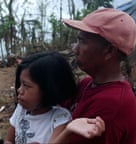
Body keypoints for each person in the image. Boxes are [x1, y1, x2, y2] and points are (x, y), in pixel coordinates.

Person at [57, 8, 136, 144]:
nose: (75, 49)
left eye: (83, 41)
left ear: (109, 51)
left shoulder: (112, 104)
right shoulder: (87, 83)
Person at [4, 51, 105, 144]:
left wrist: (68, 131)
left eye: (26, 85)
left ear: (48, 89)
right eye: (20, 84)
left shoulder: (59, 118)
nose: (19, 90)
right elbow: (9, 140)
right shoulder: (21, 110)